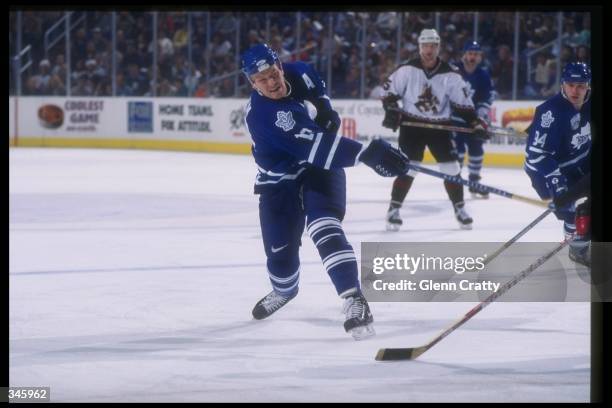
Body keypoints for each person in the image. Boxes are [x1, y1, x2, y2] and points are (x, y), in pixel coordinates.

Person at [241, 44, 410, 340]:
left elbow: (327, 117)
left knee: (324, 226)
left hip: (319, 167)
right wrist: (370, 154)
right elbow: (318, 147)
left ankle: (354, 299)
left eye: (273, 73)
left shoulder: (302, 73)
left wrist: (330, 124)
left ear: (280, 65)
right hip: (280, 181)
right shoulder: (263, 115)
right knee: (281, 260)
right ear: (252, 84)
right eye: (262, 79)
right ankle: (284, 290)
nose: (272, 82)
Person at [380, 29, 489, 231]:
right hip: (412, 126)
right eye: (425, 46)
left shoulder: (451, 73)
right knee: (409, 168)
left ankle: (460, 209)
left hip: (440, 127)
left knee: (451, 169)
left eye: (432, 46)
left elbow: (463, 103)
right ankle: (393, 210)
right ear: (420, 47)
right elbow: (388, 92)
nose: (429, 50)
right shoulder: (406, 69)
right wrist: (392, 109)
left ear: (438, 47)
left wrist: (474, 122)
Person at [524, 62, 591, 266]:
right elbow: (537, 155)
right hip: (550, 168)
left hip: (581, 159)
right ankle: (576, 247)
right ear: (562, 84)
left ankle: (581, 237)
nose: (575, 90)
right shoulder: (549, 112)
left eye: (580, 85)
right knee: (569, 209)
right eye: (570, 84)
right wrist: (557, 181)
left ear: (588, 86)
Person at [452, 41, 496, 199]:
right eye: (470, 53)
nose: (473, 57)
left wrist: (481, 115)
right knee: (458, 151)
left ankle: (474, 182)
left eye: (476, 54)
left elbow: (487, 96)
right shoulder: (453, 71)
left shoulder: (483, 75)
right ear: (464, 54)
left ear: (480, 57)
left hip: (474, 121)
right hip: (455, 119)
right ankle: (455, 181)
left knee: (476, 149)